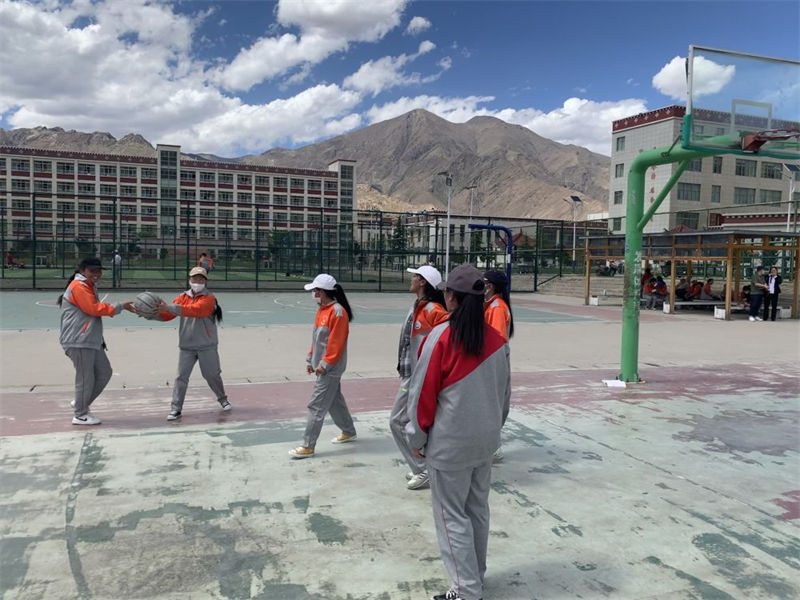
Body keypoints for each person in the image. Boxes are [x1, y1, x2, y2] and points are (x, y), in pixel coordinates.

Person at [406, 264, 510, 600]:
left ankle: (466, 590)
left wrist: (417, 439)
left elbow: (422, 394)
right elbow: (505, 393)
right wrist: (494, 429)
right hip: (484, 441)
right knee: (477, 510)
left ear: (451, 297)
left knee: (451, 516)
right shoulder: (496, 339)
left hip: (450, 445)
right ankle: (474, 578)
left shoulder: (441, 337)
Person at [390, 265, 448, 490]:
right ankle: (423, 466)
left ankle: (422, 468)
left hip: (418, 379)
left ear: (423, 282)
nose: (411, 279)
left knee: (396, 421)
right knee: (412, 423)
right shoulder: (417, 307)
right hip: (411, 375)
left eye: (415, 276)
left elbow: (444, 343)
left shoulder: (434, 310)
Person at [58, 257, 134, 425]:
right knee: (85, 378)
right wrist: (119, 306)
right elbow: (93, 309)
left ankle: (80, 402)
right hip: (78, 340)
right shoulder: (78, 286)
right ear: (82, 270)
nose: (97, 274)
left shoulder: (87, 286)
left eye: (99, 271)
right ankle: (80, 414)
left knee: (104, 372)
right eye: (92, 271)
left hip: (90, 339)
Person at [290, 274, 357, 459]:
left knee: (316, 406)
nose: (313, 293)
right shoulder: (322, 310)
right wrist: (311, 359)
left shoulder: (337, 312)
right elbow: (317, 339)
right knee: (335, 401)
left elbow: (336, 343)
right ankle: (349, 431)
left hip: (330, 368)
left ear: (323, 291)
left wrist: (325, 365)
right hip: (322, 366)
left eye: (315, 290)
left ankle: (307, 446)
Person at [155, 266, 231, 420]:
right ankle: (176, 409)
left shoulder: (209, 298)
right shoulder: (182, 297)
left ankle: (222, 399)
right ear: (189, 280)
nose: (197, 281)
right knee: (181, 377)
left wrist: (170, 307)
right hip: (187, 346)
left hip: (206, 345)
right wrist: (149, 313)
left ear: (205, 281)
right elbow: (168, 314)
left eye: (200, 279)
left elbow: (196, 310)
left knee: (212, 375)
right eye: (194, 278)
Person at [483, 270, 514, 462]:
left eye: (484, 282)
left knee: (495, 402)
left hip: (496, 359)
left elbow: (495, 339)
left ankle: (493, 445)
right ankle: (492, 443)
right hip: (496, 358)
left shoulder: (496, 307)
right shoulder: (491, 305)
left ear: (491, 286)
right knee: (494, 401)